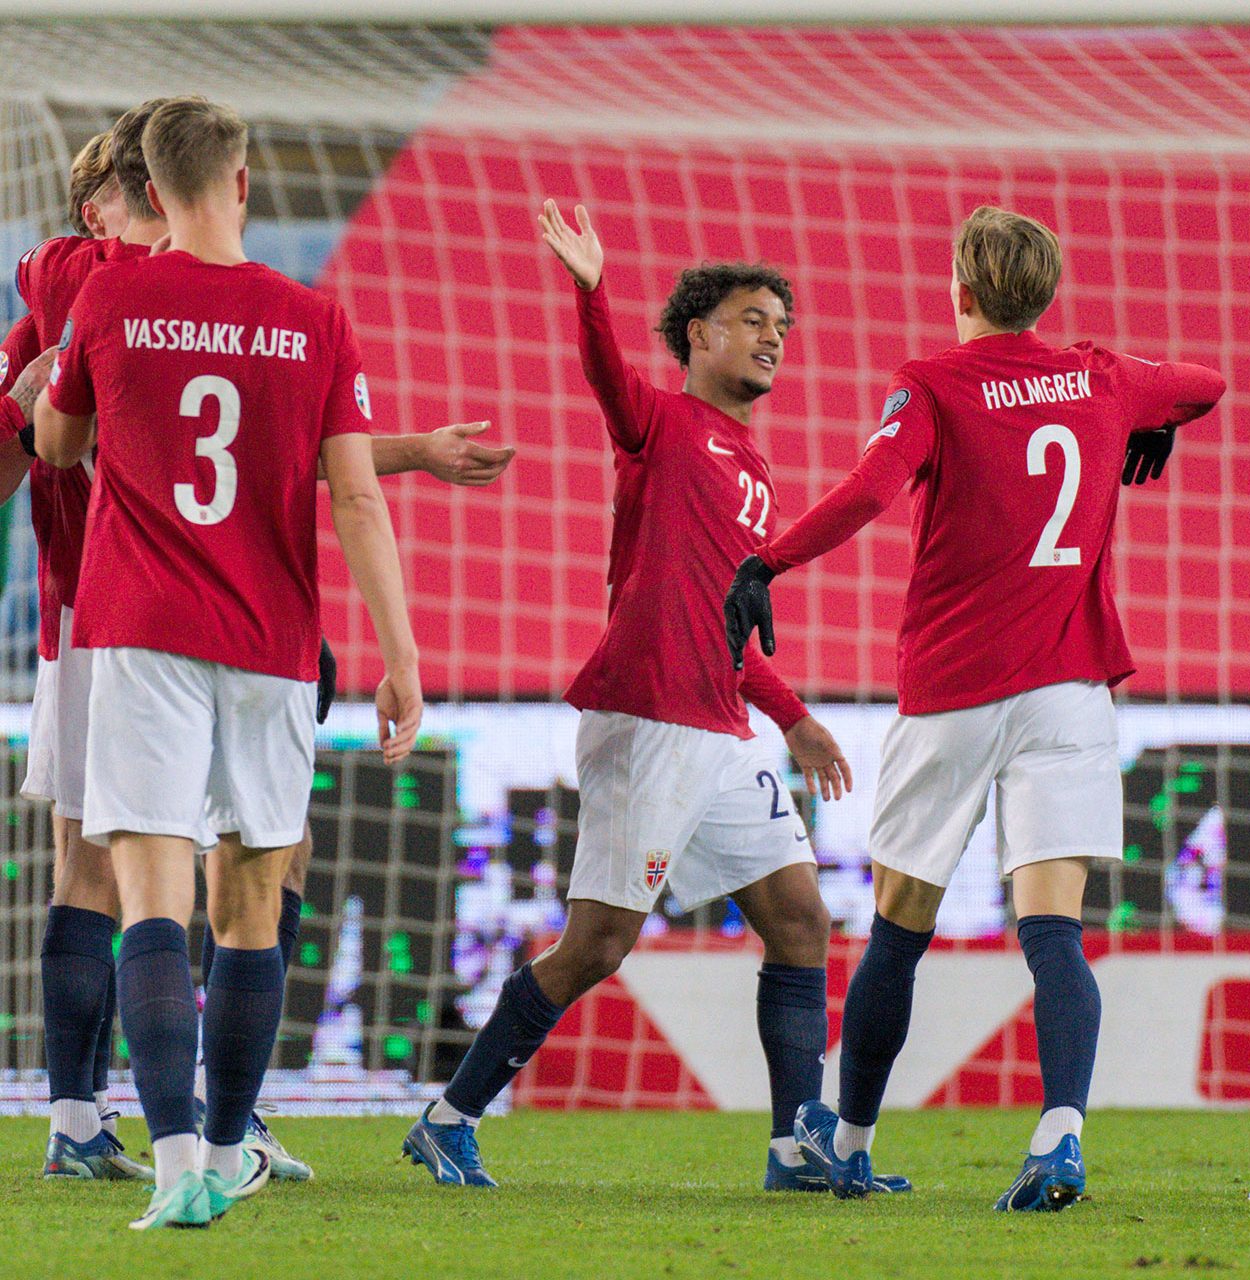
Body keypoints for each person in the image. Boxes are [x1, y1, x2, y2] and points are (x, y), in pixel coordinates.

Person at [7, 101, 512, 1187]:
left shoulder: (99, 293)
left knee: (145, 886)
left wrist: (43, 398)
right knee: (221, 886)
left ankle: (171, 1138)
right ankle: (178, 1129)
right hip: (245, 632)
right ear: (241, 185)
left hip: (133, 630)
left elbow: (47, 433)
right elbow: (349, 491)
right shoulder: (297, 314)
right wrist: (405, 651)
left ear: (146, 191)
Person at [723, 205, 1224, 1209]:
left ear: (961, 289)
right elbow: (1208, 383)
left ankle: (851, 1142)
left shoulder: (933, 384)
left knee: (901, 926)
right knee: (1055, 930)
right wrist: (1155, 425)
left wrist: (768, 559)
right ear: (1045, 292)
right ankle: (1060, 1135)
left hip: (954, 690)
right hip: (1070, 692)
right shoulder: (1100, 375)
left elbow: (871, 489)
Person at [401, 201, 905, 1196]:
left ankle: (792, 1147)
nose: (772, 337)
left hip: (722, 725)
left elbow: (723, 617)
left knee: (802, 919)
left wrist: (792, 712)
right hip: (645, 718)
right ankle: (449, 1115)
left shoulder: (754, 466)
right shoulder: (661, 424)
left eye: (782, 326)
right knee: (598, 942)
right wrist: (591, 290)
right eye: (753, 318)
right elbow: (606, 382)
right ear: (699, 335)